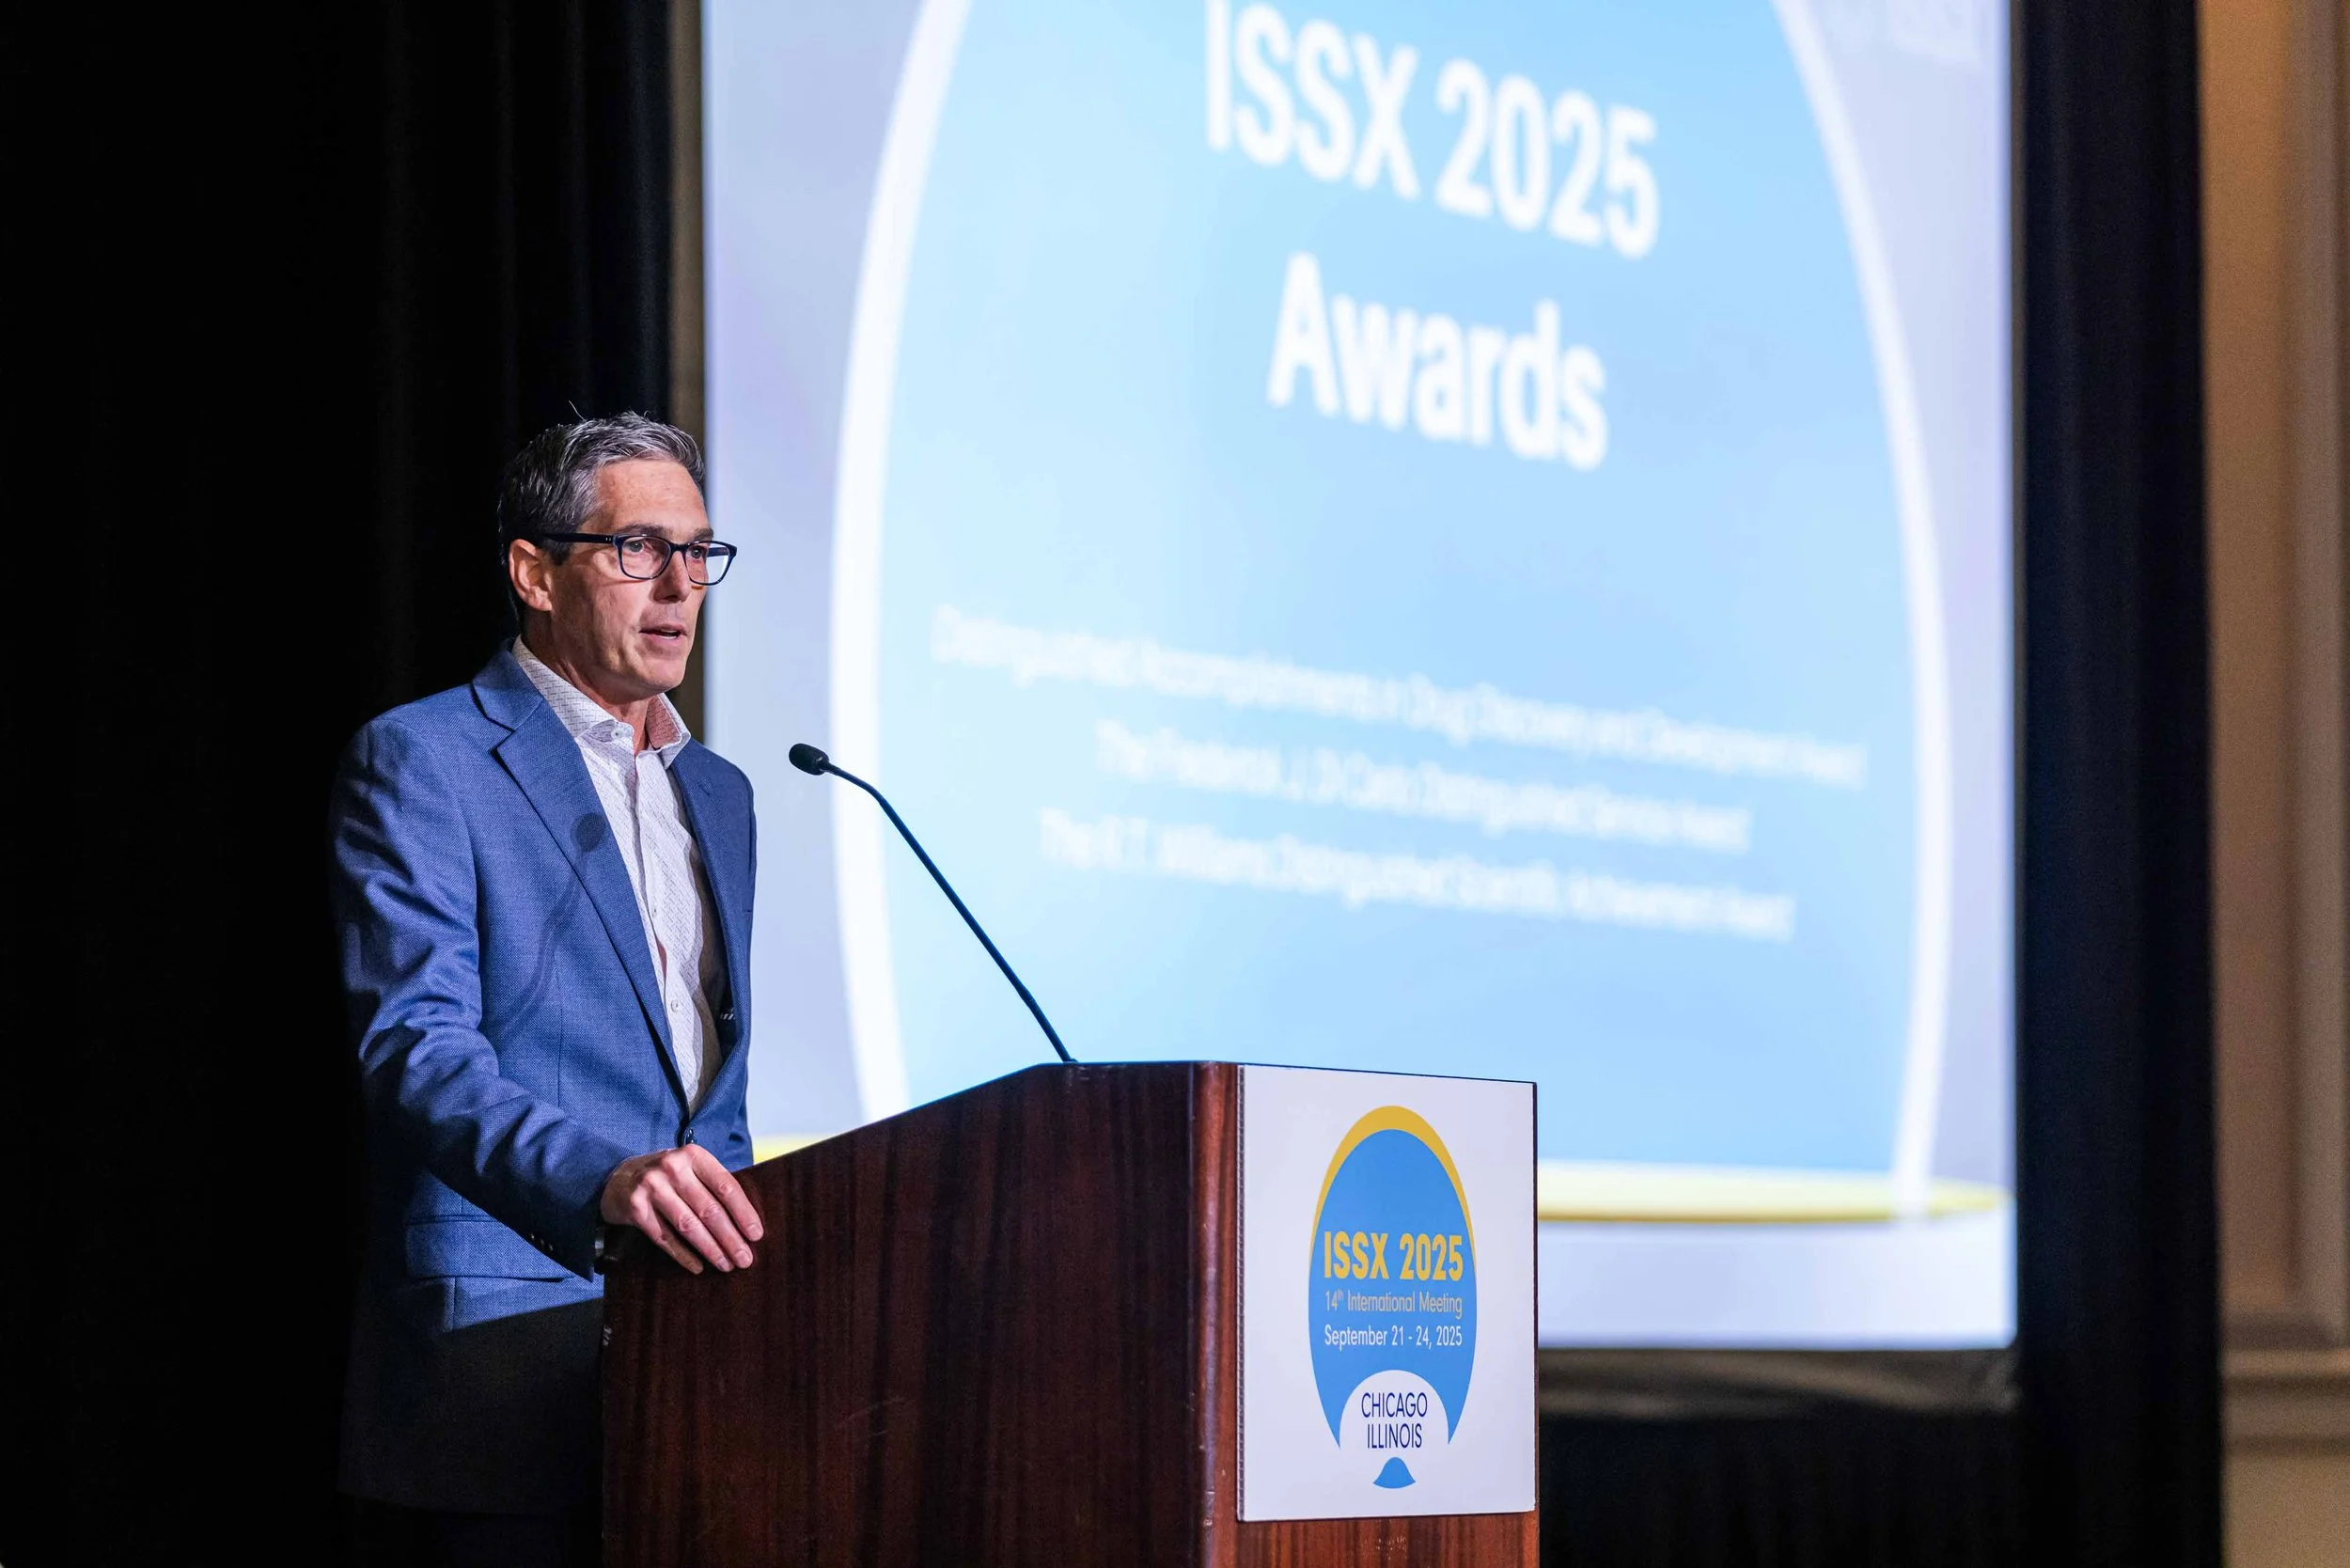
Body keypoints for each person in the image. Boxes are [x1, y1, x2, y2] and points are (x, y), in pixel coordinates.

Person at [331, 415, 762, 1566]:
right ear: (534, 569)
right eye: (638, 548)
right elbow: (416, 1047)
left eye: (701, 552)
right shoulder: (426, 758)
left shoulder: (719, 793)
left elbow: (705, 1089)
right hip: (507, 1356)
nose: (679, 585)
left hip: (705, 1374)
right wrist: (600, 1181)